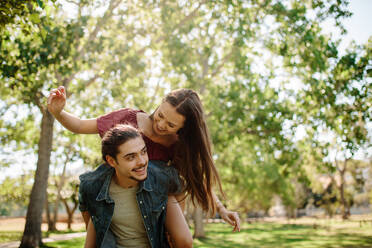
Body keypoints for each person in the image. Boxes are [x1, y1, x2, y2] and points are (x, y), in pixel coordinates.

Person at [47, 86, 240, 246]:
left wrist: (222, 209)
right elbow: (80, 126)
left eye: (171, 124)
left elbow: (196, 177)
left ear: (182, 128)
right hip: (120, 185)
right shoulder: (128, 118)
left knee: (180, 239)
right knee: (91, 193)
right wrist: (59, 112)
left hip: (154, 196)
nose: (161, 124)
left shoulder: (177, 144)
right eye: (161, 114)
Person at [79, 124, 182, 248]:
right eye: (131, 157)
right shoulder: (91, 186)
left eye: (143, 152)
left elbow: (179, 190)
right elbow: (92, 221)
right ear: (111, 161)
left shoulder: (162, 176)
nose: (142, 162)